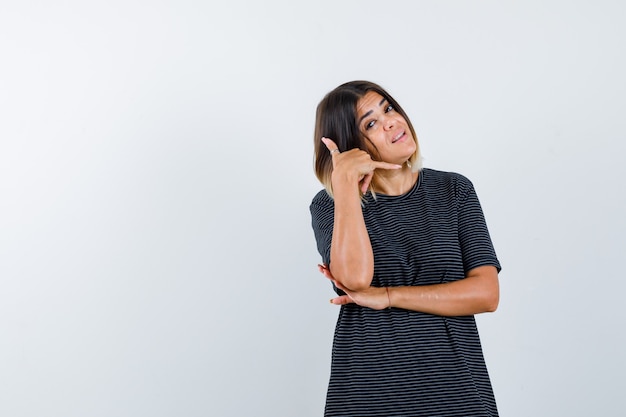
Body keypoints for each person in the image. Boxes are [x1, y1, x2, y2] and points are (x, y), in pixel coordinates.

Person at [309, 80, 502, 417]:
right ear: (351, 146)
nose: (391, 122)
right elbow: (354, 279)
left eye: (389, 108)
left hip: (456, 391)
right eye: (370, 124)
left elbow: (486, 294)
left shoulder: (454, 190)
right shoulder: (331, 205)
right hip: (368, 392)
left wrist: (387, 296)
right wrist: (344, 186)